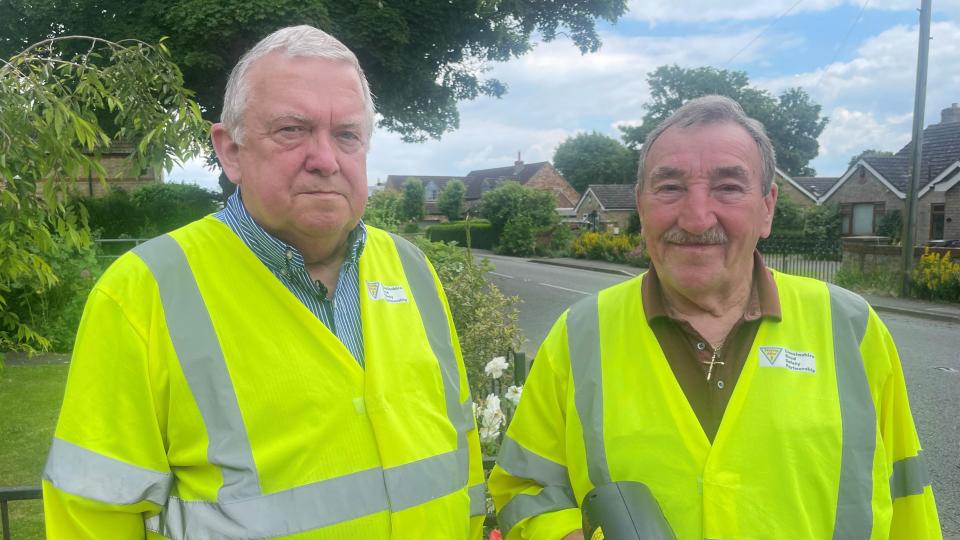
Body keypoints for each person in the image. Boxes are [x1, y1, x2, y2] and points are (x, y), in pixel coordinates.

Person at [42, 25, 485, 539]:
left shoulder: (411, 269)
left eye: (346, 135)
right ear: (230, 151)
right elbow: (93, 510)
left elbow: (462, 447)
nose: (325, 159)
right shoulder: (144, 291)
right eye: (292, 130)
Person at [488, 96, 941, 539]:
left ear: (767, 207)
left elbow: (907, 499)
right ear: (641, 207)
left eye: (727, 187)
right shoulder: (580, 334)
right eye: (670, 187)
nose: (697, 217)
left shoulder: (852, 328)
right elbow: (525, 487)